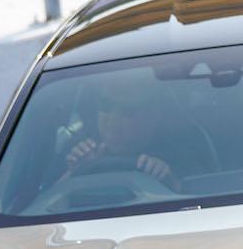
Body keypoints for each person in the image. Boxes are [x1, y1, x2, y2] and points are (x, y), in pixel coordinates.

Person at [52, 81, 183, 191]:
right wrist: (74, 172)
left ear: (152, 116)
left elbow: (189, 199)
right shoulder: (76, 152)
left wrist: (167, 178)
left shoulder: (179, 153)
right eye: (105, 106)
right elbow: (46, 202)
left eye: (127, 111)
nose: (112, 121)